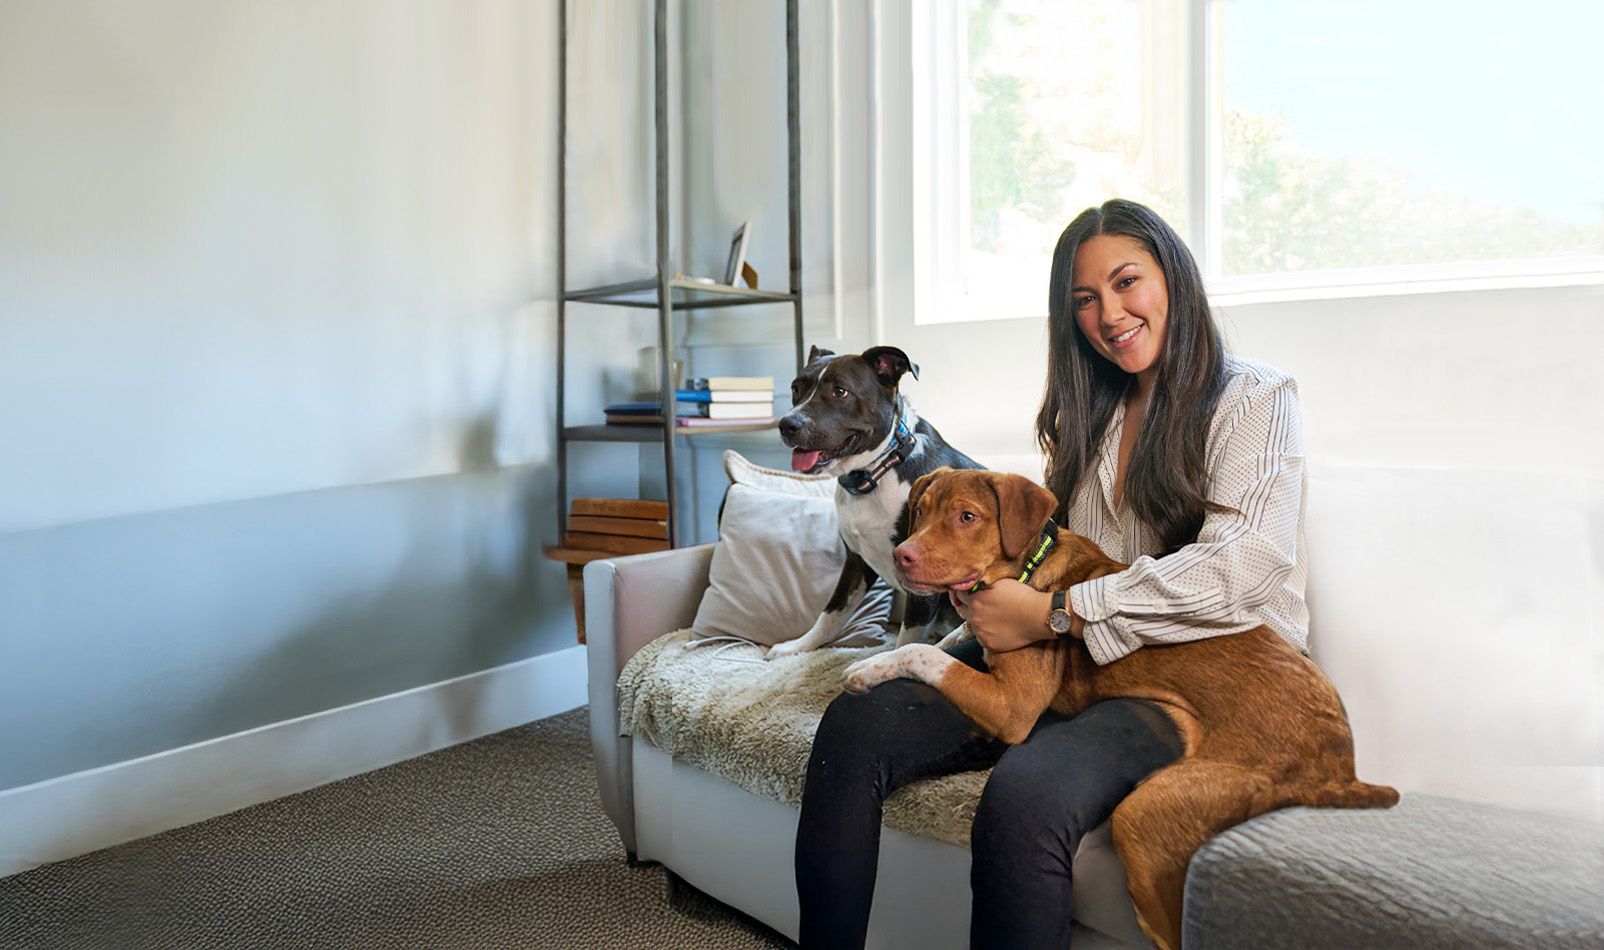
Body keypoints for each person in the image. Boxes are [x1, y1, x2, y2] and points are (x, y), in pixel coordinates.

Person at [793, 198, 1309, 949]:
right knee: (855, 724)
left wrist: (1055, 613)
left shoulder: (1256, 398)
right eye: (1085, 300)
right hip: (1065, 656)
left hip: (1198, 675)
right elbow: (1045, 551)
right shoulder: (1089, 413)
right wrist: (984, 586)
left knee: (1027, 792)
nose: (1110, 313)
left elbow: (1242, 566)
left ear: (1175, 278)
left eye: (1128, 282)